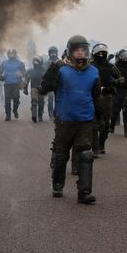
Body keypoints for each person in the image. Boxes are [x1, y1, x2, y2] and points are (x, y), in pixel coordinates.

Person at [38, 35, 100, 204]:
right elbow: (45, 87)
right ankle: (58, 184)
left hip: (85, 119)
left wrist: (99, 117)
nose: (80, 53)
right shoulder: (60, 68)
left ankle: (84, 192)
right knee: (60, 153)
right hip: (64, 119)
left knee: (85, 154)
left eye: (83, 50)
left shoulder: (94, 71)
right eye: (77, 50)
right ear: (71, 51)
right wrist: (50, 75)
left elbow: (96, 96)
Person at [90, 44, 120, 156]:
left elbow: (120, 78)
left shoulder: (111, 67)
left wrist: (113, 84)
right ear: (95, 54)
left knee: (105, 124)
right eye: (99, 53)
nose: (101, 55)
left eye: (103, 53)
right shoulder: (90, 66)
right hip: (93, 97)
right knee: (93, 124)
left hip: (107, 97)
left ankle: (101, 144)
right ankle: (95, 148)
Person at [0, 48, 26, 121]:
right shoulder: (4, 63)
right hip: (7, 84)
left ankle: (15, 110)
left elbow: (24, 72)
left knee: (16, 99)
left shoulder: (20, 63)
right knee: (7, 100)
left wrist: (21, 74)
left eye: (13, 53)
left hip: (16, 84)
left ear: (15, 54)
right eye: (10, 54)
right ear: (8, 55)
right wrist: (1, 77)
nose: (11, 55)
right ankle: (8, 115)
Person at [112, 49, 127, 136]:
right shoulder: (114, 67)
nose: (125, 57)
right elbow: (110, 79)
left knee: (126, 111)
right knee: (115, 111)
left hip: (126, 91)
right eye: (123, 56)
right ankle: (111, 126)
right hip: (117, 91)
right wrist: (116, 81)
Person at [27, 56, 48, 122]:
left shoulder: (44, 70)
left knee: (41, 103)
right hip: (33, 88)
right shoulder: (30, 71)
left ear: (40, 62)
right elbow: (27, 80)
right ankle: (34, 116)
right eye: (34, 61)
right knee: (34, 102)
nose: (36, 63)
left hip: (42, 88)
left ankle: (40, 116)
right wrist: (25, 88)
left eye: (37, 61)